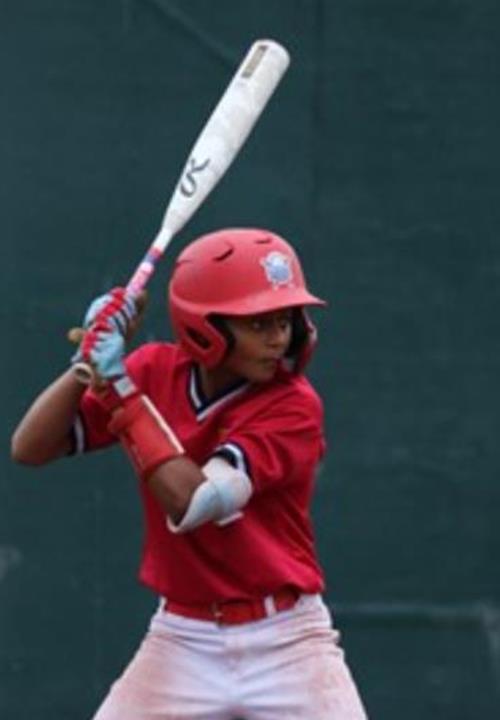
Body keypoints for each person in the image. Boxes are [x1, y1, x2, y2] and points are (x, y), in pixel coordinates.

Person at [12, 227, 367, 719]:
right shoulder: (153, 372)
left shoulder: (294, 405)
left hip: (286, 640)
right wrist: (85, 364)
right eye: (258, 322)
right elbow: (29, 448)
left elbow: (195, 502)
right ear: (205, 327)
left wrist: (120, 391)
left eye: (284, 319)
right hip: (183, 636)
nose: (278, 337)